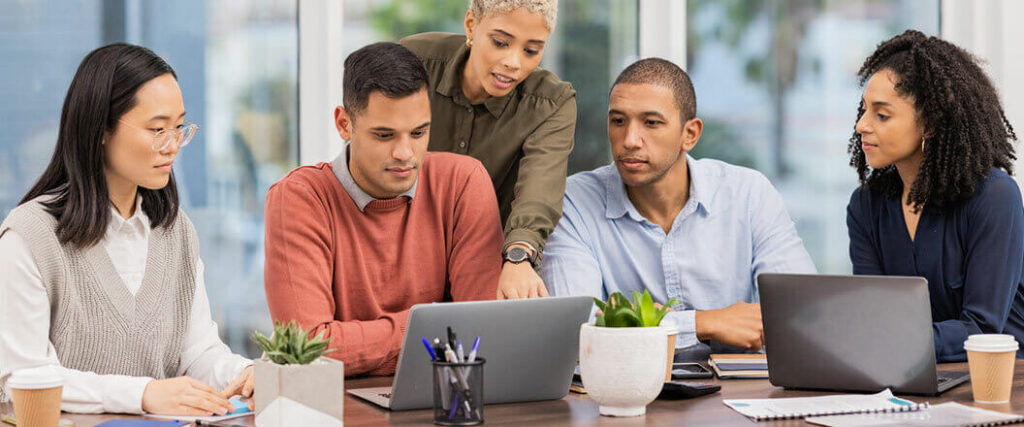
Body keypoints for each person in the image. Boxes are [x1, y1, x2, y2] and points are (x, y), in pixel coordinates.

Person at [0, 43, 253, 415]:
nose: (172, 146)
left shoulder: (177, 231)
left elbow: (197, 350)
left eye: (179, 127)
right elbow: (24, 375)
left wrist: (244, 373)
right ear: (101, 129)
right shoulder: (29, 236)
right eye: (157, 129)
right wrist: (143, 394)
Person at [541, 58, 816, 358]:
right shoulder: (574, 203)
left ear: (690, 135)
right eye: (618, 121)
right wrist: (705, 322)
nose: (630, 140)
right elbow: (578, 333)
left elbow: (801, 317)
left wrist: (641, 322)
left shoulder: (748, 194)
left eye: (651, 123)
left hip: (743, 395)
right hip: (630, 396)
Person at [263, 42, 504, 376]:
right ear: (344, 124)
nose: (406, 153)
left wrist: (357, 348)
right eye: (384, 135)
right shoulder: (299, 198)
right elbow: (308, 351)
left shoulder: (463, 183)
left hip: (444, 401)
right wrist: (433, 322)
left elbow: (480, 335)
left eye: (419, 132)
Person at [846, 30, 1024, 362]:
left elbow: (982, 330)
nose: (861, 125)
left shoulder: (995, 197)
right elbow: (874, 319)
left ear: (929, 123)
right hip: (909, 377)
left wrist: (887, 343)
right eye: (864, 110)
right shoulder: (866, 207)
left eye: (881, 115)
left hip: (1001, 385)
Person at [400, 0, 576, 300]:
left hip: (485, 266)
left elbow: (538, 192)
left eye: (531, 50)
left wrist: (519, 256)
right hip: (399, 255)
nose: (514, 62)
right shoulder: (413, 61)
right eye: (500, 42)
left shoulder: (551, 103)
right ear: (471, 25)